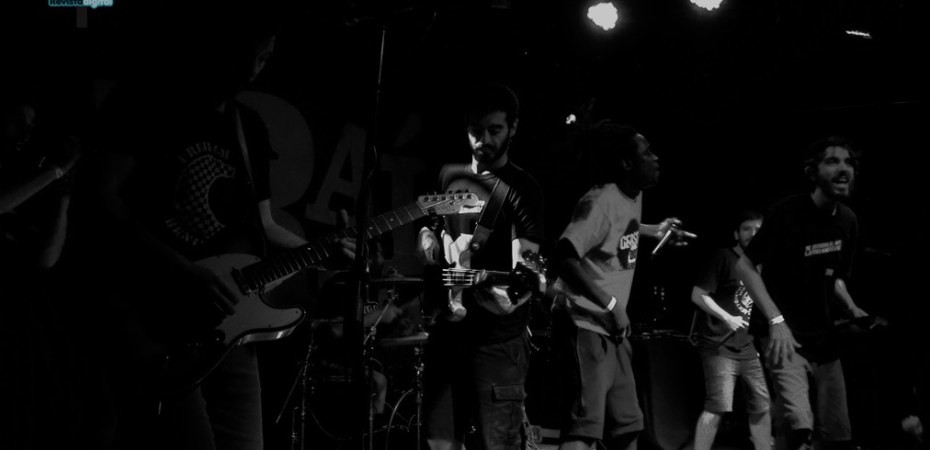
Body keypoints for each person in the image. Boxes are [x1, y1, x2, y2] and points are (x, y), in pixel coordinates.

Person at [79, 5, 355, 450]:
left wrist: (323, 251)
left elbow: (264, 226)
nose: (254, 68)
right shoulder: (145, 102)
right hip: (151, 313)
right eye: (248, 54)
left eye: (265, 58)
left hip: (229, 322)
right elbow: (101, 200)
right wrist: (185, 273)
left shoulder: (247, 127)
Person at [417, 81, 546, 450]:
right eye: (476, 129)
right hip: (447, 333)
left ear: (513, 128)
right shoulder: (448, 175)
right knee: (438, 441)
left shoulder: (523, 189)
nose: (483, 140)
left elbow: (525, 270)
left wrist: (511, 290)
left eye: (494, 130)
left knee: (497, 444)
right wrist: (427, 238)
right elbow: (432, 225)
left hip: (497, 343)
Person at [549, 121, 693, 450]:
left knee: (627, 425)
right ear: (627, 163)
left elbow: (619, 225)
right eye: (647, 152)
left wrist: (655, 231)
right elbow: (564, 257)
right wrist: (612, 306)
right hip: (583, 323)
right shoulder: (599, 201)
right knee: (584, 428)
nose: (655, 158)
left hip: (610, 329)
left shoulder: (632, 194)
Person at [734, 136, 868, 450]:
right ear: (812, 171)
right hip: (785, 336)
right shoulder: (787, 213)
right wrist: (776, 321)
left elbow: (834, 277)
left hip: (824, 338)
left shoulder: (847, 221)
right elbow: (745, 266)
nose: (843, 168)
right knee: (798, 426)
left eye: (848, 162)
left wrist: (852, 308)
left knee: (836, 434)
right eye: (833, 161)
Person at [690, 210, 771, 450]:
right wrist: (726, 317)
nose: (752, 234)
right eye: (747, 229)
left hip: (747, 347)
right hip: (719, 345)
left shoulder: (761, 265)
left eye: (758, 230)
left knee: (761, 406)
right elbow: (698, 294)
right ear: (736, 233)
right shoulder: (724, 257)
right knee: (718, 406)